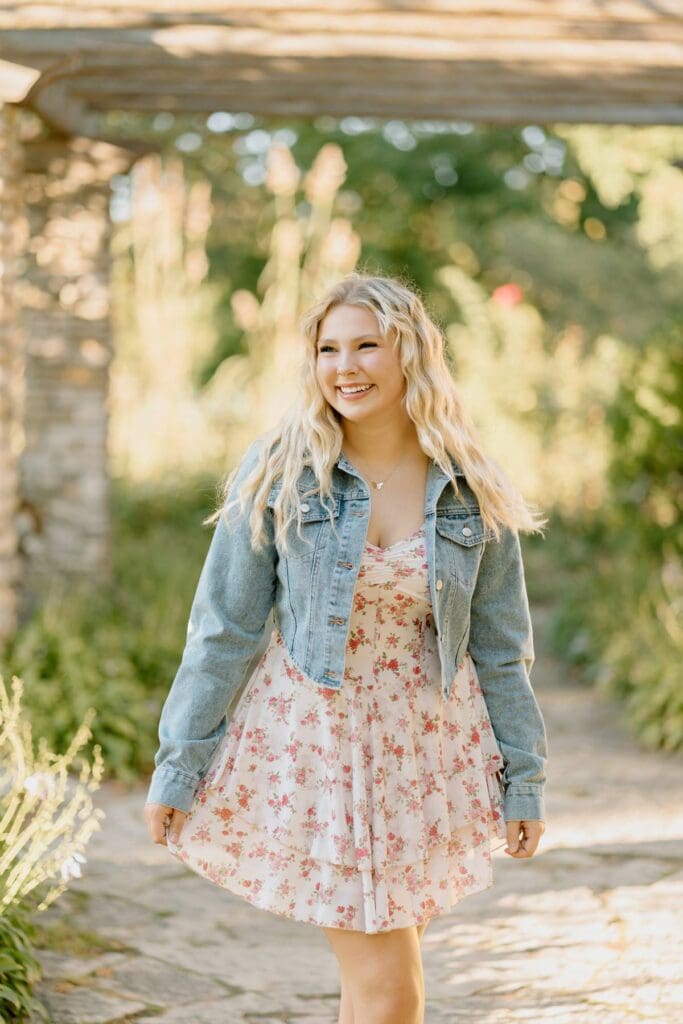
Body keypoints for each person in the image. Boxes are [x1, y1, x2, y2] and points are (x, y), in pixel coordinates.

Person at [144, 272, 549, 1024]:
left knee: (377, 980)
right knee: (388, 986)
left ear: (411, 355)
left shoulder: (466, 484)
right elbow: (224, 630)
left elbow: (500, 647)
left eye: (367, 345)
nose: (344, 366)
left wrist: (522, 777)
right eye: (328, 349)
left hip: (428, 752)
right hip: (316, 748)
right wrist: (180, 763)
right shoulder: (280, 472)